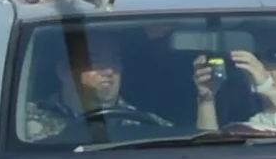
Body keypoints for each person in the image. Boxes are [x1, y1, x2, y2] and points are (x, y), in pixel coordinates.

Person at [19, 30, 174, 142]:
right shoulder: (24, 124)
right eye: (95, 61)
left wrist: (200, 101)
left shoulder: (146, 125)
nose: (109, 70)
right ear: (64, 71)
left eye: (114, 60)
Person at [194, 35, 276, 137]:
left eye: (275, 56)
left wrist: (269, 89)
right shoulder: (238, 131)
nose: (261, 65)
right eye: (255, 58)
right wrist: (206, 99)